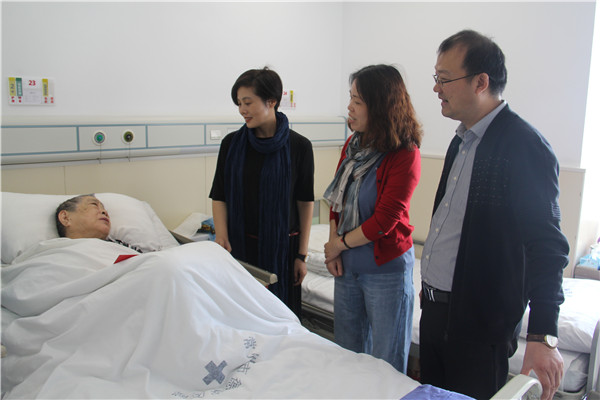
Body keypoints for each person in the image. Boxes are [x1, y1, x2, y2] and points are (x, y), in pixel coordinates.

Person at [419, 29, 569, 400]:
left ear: (480, 82)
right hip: (436, 310)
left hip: (479, 323)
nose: (436, 88)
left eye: (444, 79)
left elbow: (548, 247)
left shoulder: (524, 146)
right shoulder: (461, 140)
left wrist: (543, 336)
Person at [323, 64, 422, 373]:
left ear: (380, 106)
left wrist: (338, 245)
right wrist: (333, 246)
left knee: (386, 364)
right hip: (347, 269)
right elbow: (337, 201)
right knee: (347, 357)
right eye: (350, 98)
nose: (349, 108)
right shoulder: (352, 146)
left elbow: (384, 221)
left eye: (358, 101)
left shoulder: (405, 154)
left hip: (385, 272)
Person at [209, 67, 314, 317]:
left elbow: (305, 202)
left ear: (272, 101)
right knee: (241, 315)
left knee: (281, 316)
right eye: (239, 104)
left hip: (283, 250)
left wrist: (301, 255)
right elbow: (220, 195)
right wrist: (221, 238)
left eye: (248, 102)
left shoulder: (299, 146)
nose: (242, 110)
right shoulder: (231, 145)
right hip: (239, 248)